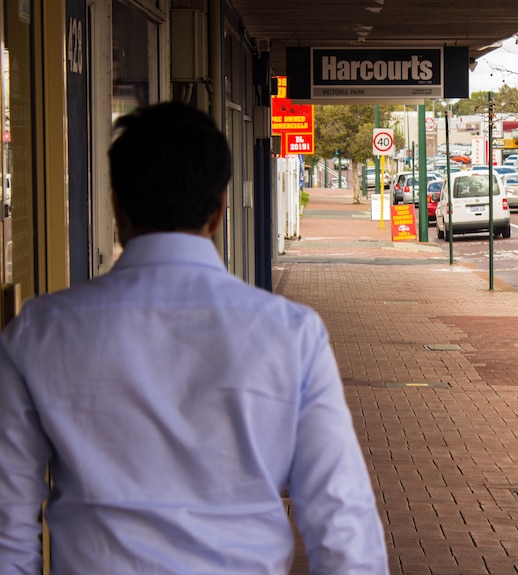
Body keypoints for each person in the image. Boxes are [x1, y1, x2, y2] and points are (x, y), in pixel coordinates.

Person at [0, 101, 389, 574]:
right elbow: (342, 519)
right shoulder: (290, 334)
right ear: (220, 211)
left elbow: (8, 522)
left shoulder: (41, 331)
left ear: (117, 205)